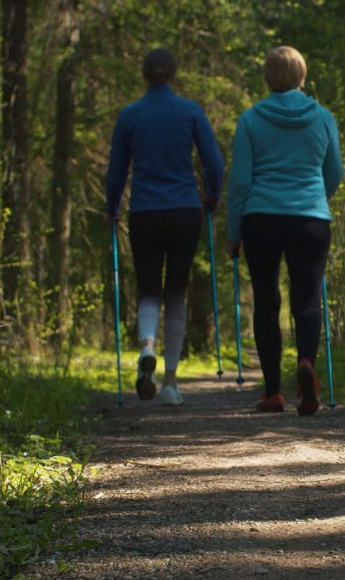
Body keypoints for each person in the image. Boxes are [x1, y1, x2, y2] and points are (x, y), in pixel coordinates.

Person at [226, 46, 343, 416]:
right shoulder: (323, 118)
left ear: (268, 78)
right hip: (311, 218)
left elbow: (240, 183)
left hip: (261, 219)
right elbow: (335, 172)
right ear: (302, 76)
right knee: (307, 300)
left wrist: (234, 233)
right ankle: (306, 364)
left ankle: (273, 392)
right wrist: (313, 200)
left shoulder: (250, 120)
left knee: (266, 300)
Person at [106, 48, 224, 406]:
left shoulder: (130, 115)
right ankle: (170, 383)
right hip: (185, 209)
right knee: (176, 293)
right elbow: (215, 164)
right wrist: (212, 197)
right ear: (174, 76)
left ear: (145, 76)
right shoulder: (190, 112)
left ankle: (146, 348)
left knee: (148, 291)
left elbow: (116, 171)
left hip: (145, 211)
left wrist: (112, 208)